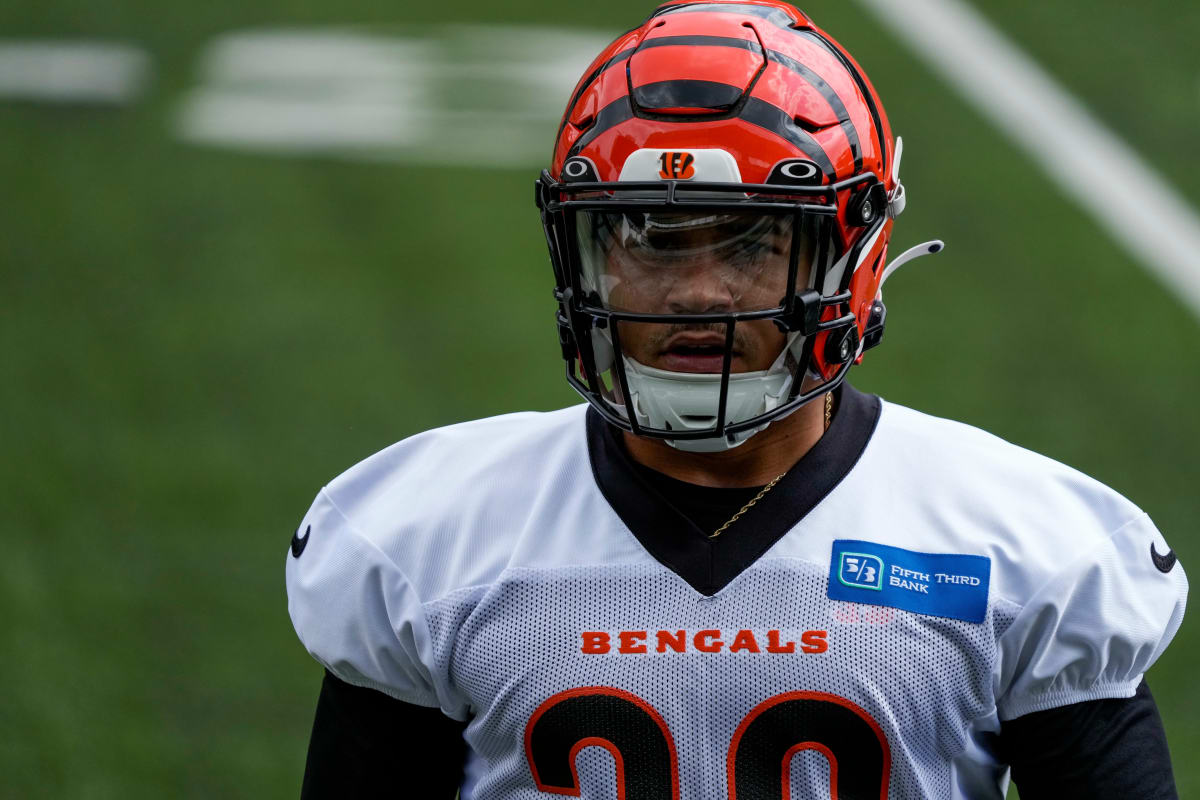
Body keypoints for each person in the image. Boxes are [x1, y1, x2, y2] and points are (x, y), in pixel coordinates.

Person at [285, 2, 1188, 797]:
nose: (698, 293)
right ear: (585, 252)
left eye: (756, 241)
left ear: (853, 254)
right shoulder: (433, 535)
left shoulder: (1022, 546)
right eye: (652, 238)